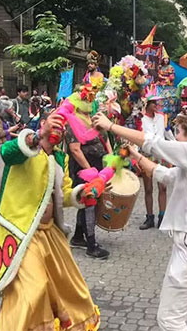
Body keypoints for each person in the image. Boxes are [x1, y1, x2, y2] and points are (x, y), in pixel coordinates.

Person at [0, 113, 101, 330]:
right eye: (53, 124)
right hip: (22, 232)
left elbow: (64, 193)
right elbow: (6, 153)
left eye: (62, 128)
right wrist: (36, 137)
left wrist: (81, 196)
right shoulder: (25, 148)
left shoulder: (60, 157)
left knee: (68, 283)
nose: (57, 130)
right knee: (33, 288)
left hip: (50, 233)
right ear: (42, 125)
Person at [93, 108, 187, 331]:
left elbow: (154, 142)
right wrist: (136, 155)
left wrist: (110, 126)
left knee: (169, 319)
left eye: (179, 131)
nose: (175, 136)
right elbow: (161, 173)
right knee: (179, 313)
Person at [66, 99, 112, 259]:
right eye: (85, 99)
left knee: (88, 204)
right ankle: (91, 245)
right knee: (89, 202)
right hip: (83, 168)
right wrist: (90, 171)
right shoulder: (72, 121)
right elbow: (75, 149)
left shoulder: (93, 118)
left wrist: (110, 159)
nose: (88, 102)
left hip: (97, 165)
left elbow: (105, 138)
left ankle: (78, 237)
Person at [139, 95, 167, 230]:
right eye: (154, 102)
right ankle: (149, 217)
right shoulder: (141, 120)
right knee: (148, 188)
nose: (157, 105)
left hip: (161, 155)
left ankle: (163, 217)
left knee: (163, 187)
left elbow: (168, 134)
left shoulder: (162, 118)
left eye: (158, 102)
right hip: (147, 155)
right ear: (148, 104)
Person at [0, 100, 20, 195]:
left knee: (4, 167)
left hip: (4, 144)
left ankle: (2, 186)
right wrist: (12, 129)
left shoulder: (0, 118)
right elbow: (0, 133)